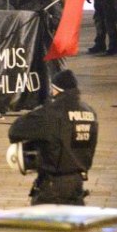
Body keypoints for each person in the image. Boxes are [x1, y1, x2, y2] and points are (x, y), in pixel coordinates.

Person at [8, 70, 98, 205]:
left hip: (53, 186)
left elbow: (15, 130)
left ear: (56, 89)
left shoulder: (52, 112)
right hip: (77, 184)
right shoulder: (89, 112)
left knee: (45, 225)